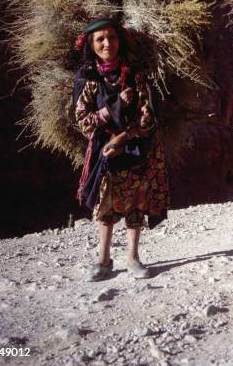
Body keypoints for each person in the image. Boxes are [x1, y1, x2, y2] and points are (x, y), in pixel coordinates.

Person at [73, 18, 169, 281]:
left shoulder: (136, 76)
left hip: (133, 150)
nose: (107, 43)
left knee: (136, 203)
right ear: (91, 45)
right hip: (103, 155)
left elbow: (147, 118)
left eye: (112, 38)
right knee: (104, 206)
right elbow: (83, 121)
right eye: (100, 39)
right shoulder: (89, 80)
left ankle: (133, 258)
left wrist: (123, 139)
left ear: (120, 40)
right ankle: (103, 260)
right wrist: (112, 107)